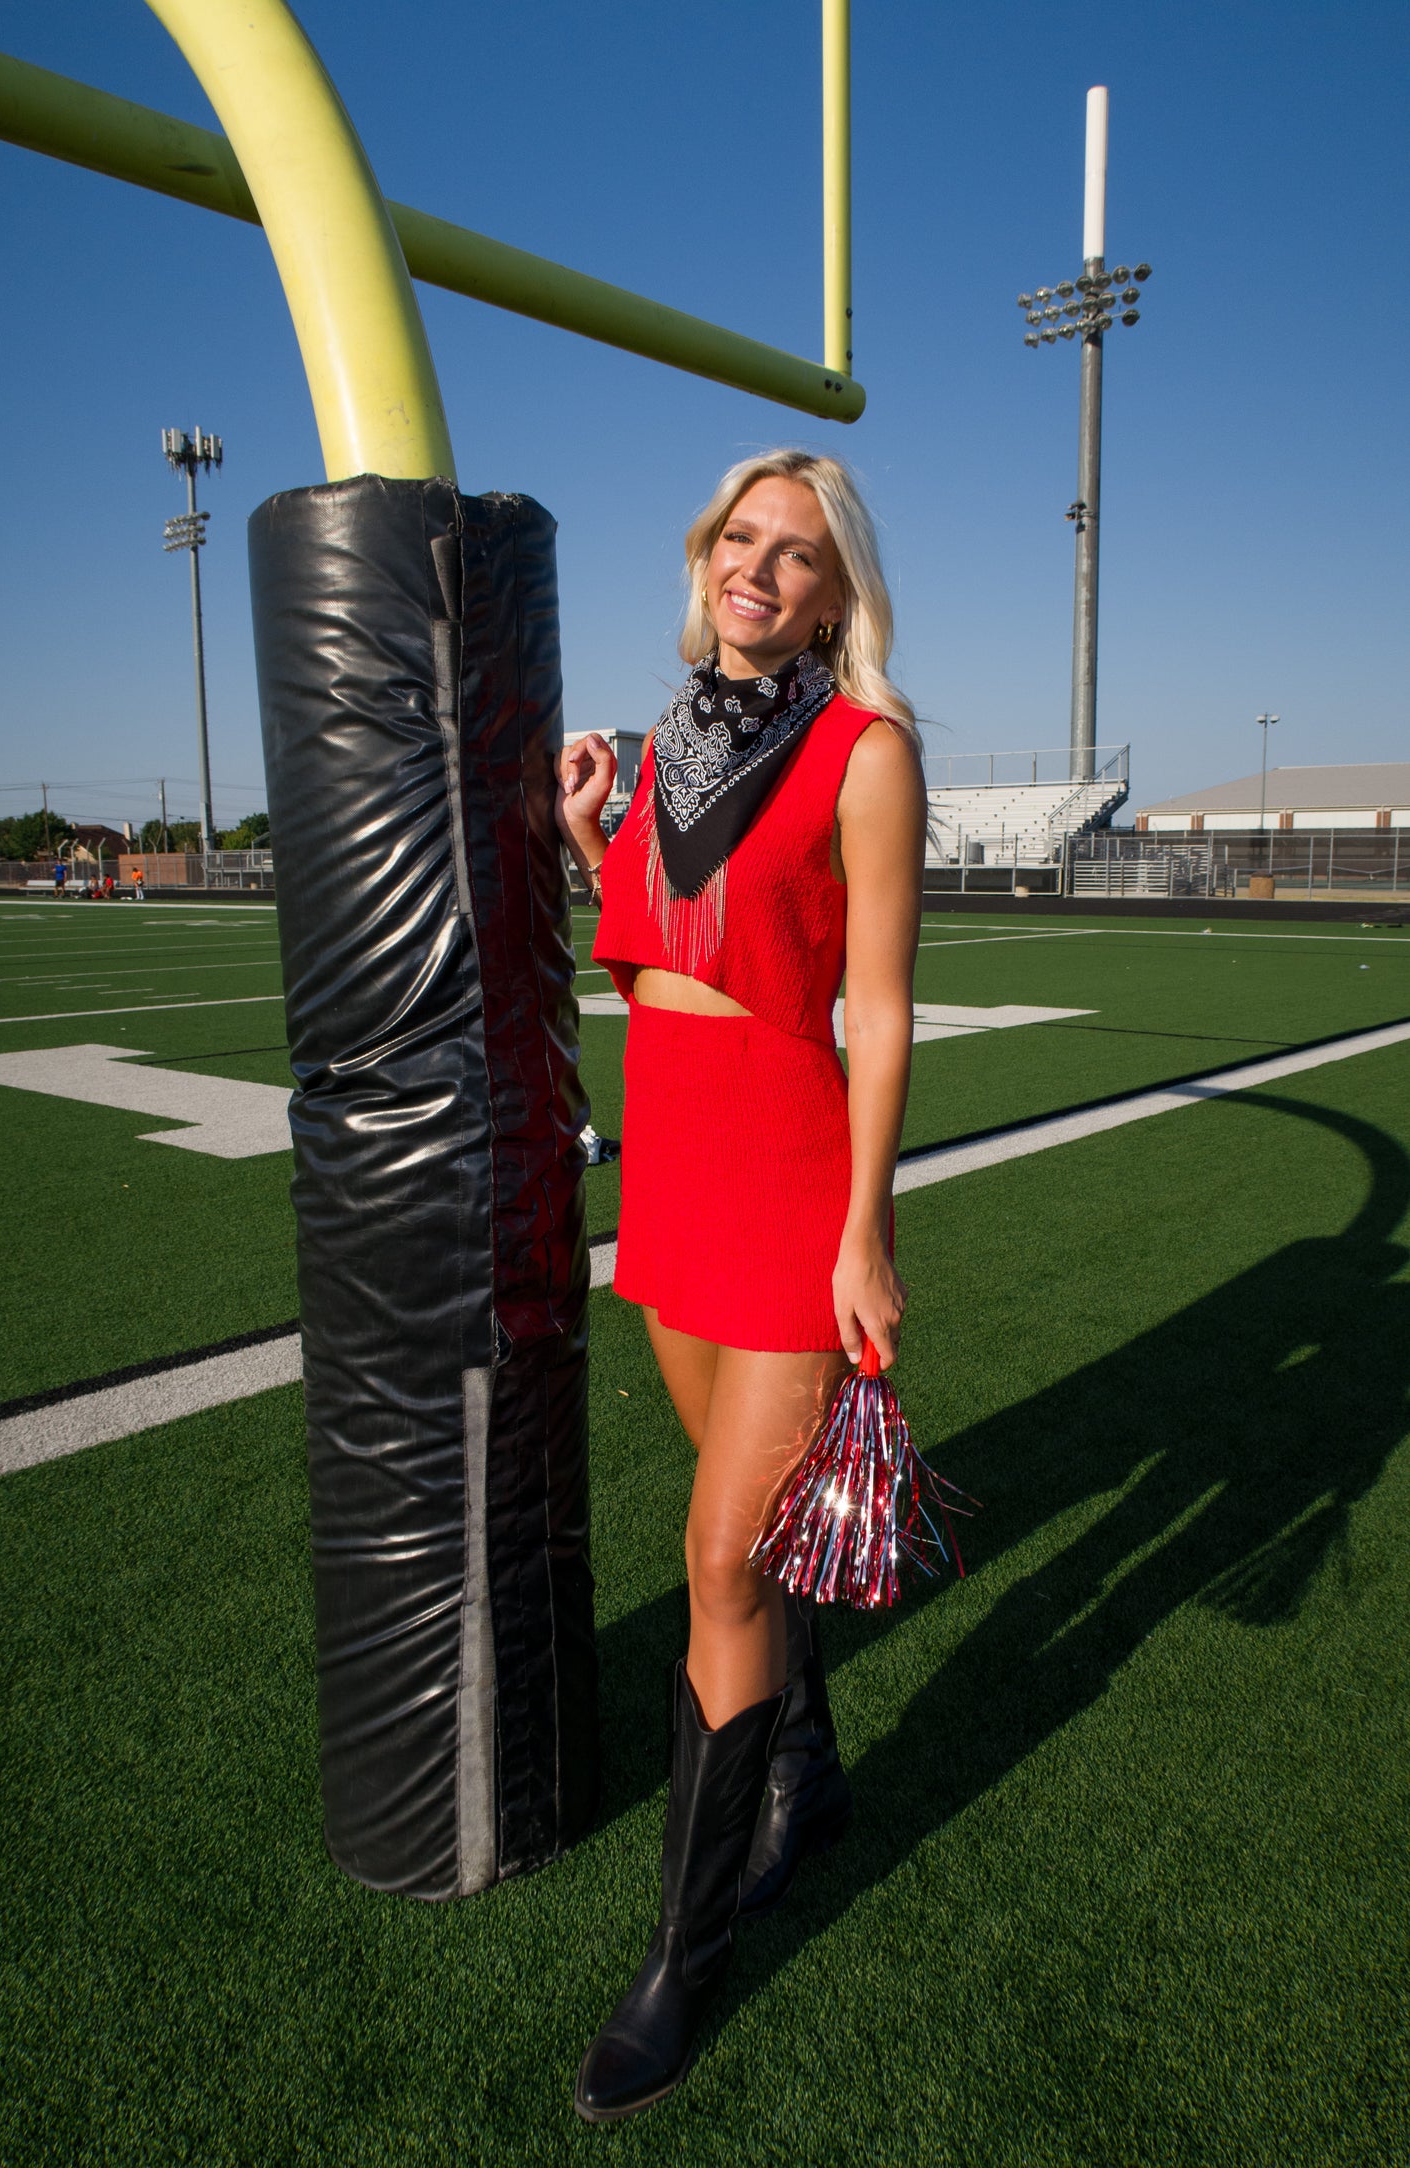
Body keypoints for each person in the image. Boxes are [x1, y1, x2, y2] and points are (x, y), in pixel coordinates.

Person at [555, 449, 926, 2122]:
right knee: (756, 1544)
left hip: (783, 1190)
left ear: (836, 596)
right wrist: (590, 843)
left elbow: (879, 1008)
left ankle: (680, 1965)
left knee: (715, 1557)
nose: (756, 568)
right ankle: (811, 1769)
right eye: (737, 538)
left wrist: (863, 1228)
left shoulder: (865, 752)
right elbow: (656, 965)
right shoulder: (643, 764)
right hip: (673, 1189)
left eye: (796, 553)